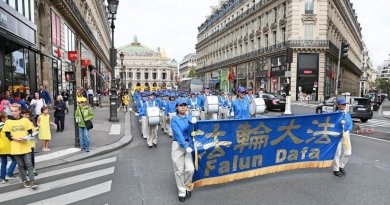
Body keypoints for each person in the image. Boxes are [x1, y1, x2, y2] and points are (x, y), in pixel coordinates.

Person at [3, 103, 37, 189]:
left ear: (19, 111)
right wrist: (15, 138)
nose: (14, 113)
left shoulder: (25, 120)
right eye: (12, 111)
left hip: (26, 146)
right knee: (21, 165)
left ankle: (32, 181)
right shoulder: (8, 122)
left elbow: (31, 132)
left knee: (29, 164)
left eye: (15, 111)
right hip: (15, 147)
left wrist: (26, 137)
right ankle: (24, 180)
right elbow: (7, 134)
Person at [170, 98, 195, 202]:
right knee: (179, 170)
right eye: (181, 105)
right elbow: (178, 135)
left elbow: (192, 133)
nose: (183, 107)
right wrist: (185, 146)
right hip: (178, 146)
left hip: (189, 145)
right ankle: (182, 192)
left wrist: (193, 126)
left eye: (185, 105)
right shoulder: (174, 120)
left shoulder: (189, 117)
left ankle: (188, 186)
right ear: (176, 107)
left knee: (190, 169)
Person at [333, 97, 353, 177]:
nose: (344, 105)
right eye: (342, 104)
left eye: (345, 104)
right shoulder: (335, 115)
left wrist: (347, 131)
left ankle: (341, 166)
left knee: (348, 153)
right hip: (337, 136)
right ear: (338, 105)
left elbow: (350, 124)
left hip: (346, 136)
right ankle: (336, 169)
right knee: (337, 154)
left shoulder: (347, 114)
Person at [0, 112, 17, 184]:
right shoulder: (5, 125)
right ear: (2, 118)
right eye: (6, 117)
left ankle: (2, 178)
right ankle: (9, 174)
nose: (7, 118)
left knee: (3, 163)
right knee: (15, 159)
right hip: (8, 146)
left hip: (1, 148)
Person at [21, 109, 38, 176]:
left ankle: (32, 169)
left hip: (31, 143)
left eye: (28, 114)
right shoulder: (20, 122)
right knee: (25, 158)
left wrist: (37, 129)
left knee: (32, 157)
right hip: (24, 142)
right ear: (22, 114)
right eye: (26, 114)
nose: (27, 116)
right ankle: (26, 170)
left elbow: (33, 130)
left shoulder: (30, 122)